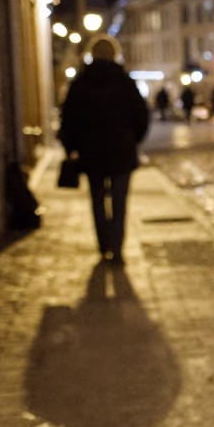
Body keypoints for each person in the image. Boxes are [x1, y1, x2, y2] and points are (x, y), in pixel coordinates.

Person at [59, 34, 150, 264]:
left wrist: (71, 147)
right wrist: (132, 140)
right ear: (114, 54)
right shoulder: (125, 82)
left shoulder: (81, 83)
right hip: (121, 150)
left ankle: (103, 246)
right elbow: (141, 116)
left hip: (92, 151)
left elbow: (69, 119)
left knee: (97, 199)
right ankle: (117, 248)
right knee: (120, 202)